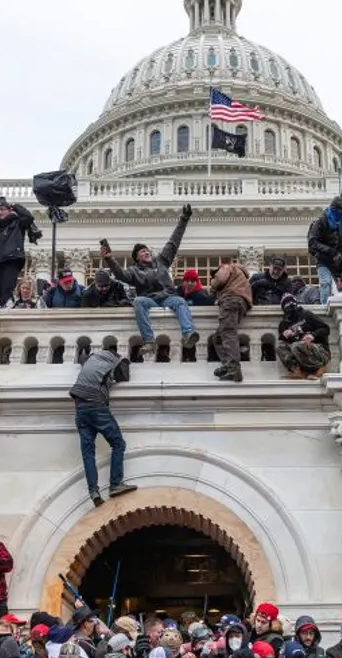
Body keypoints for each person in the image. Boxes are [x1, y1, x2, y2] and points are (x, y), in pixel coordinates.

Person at [100, 204, 199, 357]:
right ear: (137, 257)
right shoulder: (134, 271)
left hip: (168, 297)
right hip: (150, 300)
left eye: (147, 250)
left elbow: (174, 241)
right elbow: (120, 275)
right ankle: (149, 341)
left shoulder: (162, 261)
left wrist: (184, 219)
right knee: (139, 301)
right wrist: (109, 259)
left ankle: (188, 333)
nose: (146, 252)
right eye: (142, 251)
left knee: (180, 301)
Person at [68, 349, 137, 507]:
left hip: (80, 408)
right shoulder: (116, 360)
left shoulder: (91, 358)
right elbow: (124, 375)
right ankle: (116, 484)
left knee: (88, 453)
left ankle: (93, 491)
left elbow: (82, 359)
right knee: (118, 444)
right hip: (96, 406)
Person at [0, 197, 40, 307]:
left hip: (10, 261)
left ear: (9, 210)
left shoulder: (17, 222)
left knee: (6, 291)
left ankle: (4, 309)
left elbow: (29, 217)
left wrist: (15, 205)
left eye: (3, 209)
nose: (0, 212)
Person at [208, 261, 252, 382]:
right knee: (218, 338)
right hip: (240, 303)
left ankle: (233, 367)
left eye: (215, 274)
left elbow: (220, 279)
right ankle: (228, 366)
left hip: (230, 300)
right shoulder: (240, 275)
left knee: (228, 333)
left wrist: (212, 288)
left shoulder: (227, 267)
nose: (214, 276)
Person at [306, 197, 342, 305]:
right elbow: (312, 242)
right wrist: (330, 251)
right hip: (323, 260)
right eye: (340, 212)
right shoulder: (321, 221)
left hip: (338, 261)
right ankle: (324, 307)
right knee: (326, 283)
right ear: (334, 210)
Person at [276, 294, 331, 380]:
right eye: (286, 304)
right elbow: (282, 342)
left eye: (291, 303)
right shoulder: (283, 324)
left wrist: (313, 335)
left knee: (298, 345)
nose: (289, 306)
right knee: (280, 346)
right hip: (299, 352)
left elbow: (325, 328)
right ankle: (297, 371)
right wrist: (284, 335)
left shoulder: (306, 314)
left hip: (320, 352)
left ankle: (319, 369)